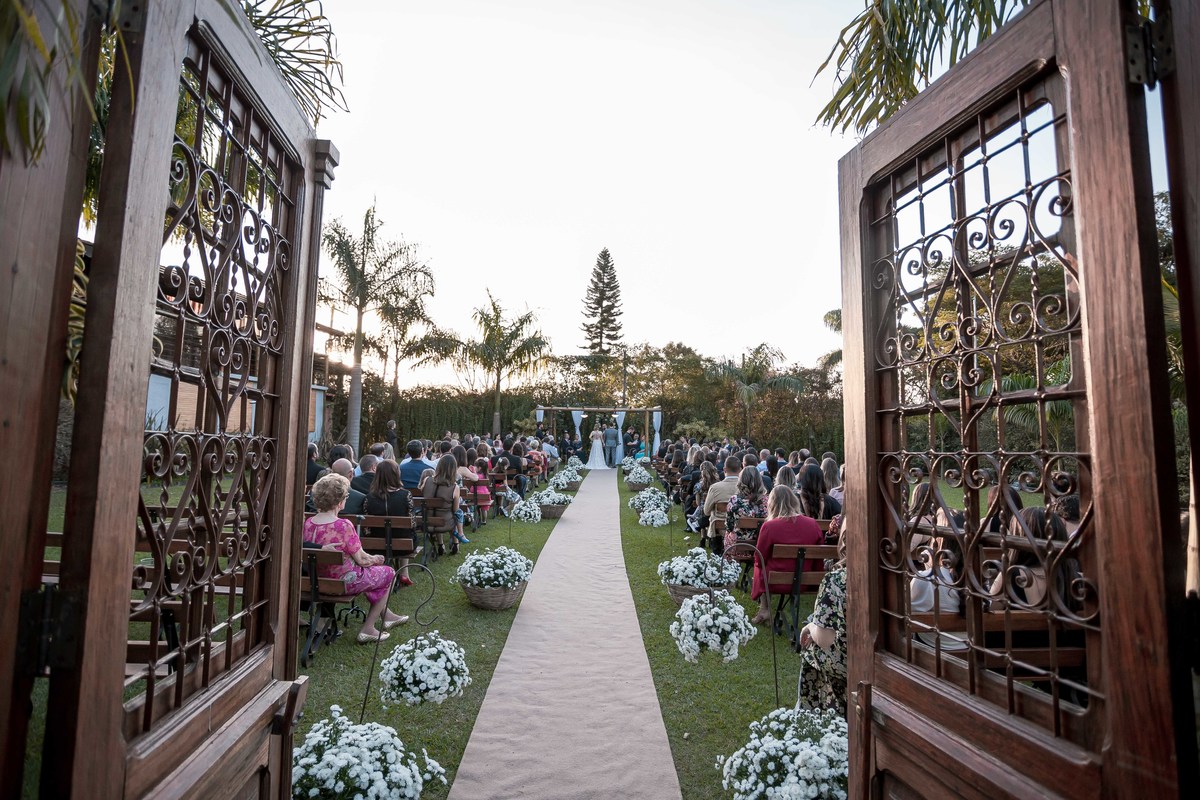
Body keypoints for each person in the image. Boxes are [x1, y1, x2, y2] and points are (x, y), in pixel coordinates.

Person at [303, 474, 408, 643]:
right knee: (388, 573)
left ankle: (387, 616)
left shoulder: (308, 523)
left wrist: (370, 560)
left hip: (316, 580)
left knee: (372, 574)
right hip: (343, 582)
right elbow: (362, 560)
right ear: (339, 501)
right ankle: (368, 629)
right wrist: (376, 559)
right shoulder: (343, 525)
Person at [750, 486, 824, 625]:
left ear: (772, 503)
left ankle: (764, 609)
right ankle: (764, 610)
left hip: (775, 582)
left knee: (760, 565)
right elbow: (818, 558)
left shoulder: (770, 526)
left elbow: (760, 557)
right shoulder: (812, 524)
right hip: (805, 581)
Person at [798, 525, 848, 713]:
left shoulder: (836, 580)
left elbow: (825, 639)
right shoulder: (895, 579)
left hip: (844, 667)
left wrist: (810, 627)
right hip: (881, 666)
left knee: (811, 652)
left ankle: (811, 720)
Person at [363, 460, 414, 588]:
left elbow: (367, 527)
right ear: (396, 474)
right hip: (403, 545)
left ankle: (386, 573)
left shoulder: (369, 498)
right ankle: (404, 573)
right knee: (406, 535)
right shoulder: (405, 495)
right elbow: (412, 523)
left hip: (375, 545)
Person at [423, 455, 468, 554]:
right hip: (446, 523)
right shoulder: (454, 487)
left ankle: (440, 544)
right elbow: (455, 510)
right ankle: (457, 542)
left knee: (436, 511)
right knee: (456, 513)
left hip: (427, 522)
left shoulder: (427, 480)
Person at [703, 456, 743, 553]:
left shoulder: (715, 488)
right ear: (740, 469)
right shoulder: (745, 487)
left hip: (720, 525)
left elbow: (706, 511)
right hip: (741, 526)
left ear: (725, 469)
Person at [724, 467, 769, 553]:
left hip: (738, 544)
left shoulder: (735, 500)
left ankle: (730, 564)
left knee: (728, 533)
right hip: (761, 544)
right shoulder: (768, 501)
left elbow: (729, 526)